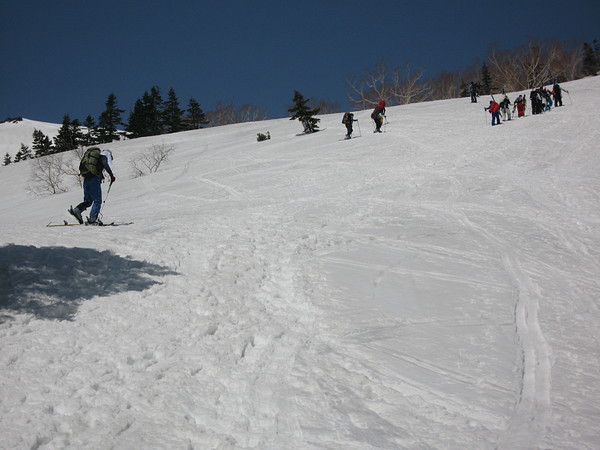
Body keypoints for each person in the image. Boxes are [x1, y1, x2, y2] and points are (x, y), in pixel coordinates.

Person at [69, 147, 116, 225]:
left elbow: (98, 169)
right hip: (93, 180)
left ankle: (77, 210)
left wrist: (101, 176)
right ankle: (93, 219)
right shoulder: (103, 157)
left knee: (88, 201)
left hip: (86, 179)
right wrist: (111, 176)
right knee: (97, 200)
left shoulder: (93, 160)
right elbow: (105, 165)